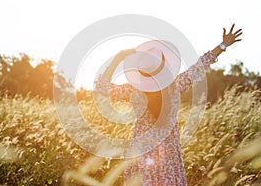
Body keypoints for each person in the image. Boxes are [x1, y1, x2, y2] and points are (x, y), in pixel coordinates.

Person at [95, 24, 242, 185]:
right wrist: (223, 45)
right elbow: (200, 66)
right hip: (169, 157)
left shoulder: (134, 91)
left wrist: (118, 58)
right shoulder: (175, 86)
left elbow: (101, 87)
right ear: (163, 67)